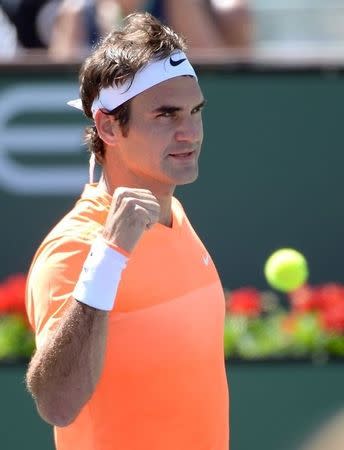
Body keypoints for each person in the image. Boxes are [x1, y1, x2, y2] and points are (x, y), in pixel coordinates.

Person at [25, 11, 229, 450]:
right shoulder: (75, 246)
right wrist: (110, 256)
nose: (190, 132)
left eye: (195, 111)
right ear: (108, 126)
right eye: (166, 115)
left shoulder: (174, 212)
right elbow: (57, 405)